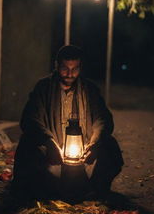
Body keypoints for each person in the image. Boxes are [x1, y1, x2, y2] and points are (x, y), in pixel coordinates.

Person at [12, 45, 123, 200]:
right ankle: (40, 190)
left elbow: (102, 119)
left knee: (110, 145)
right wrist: (49, 142)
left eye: (75, 68)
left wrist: (95, 143)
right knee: (27, 144)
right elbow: (30, 120)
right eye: (65, 68)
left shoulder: (89, 89)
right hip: (53, 156)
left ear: (81, 68)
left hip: (83, 156)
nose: (70, 73)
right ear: (56, 66)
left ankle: (96, 188)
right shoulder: (43, 88)